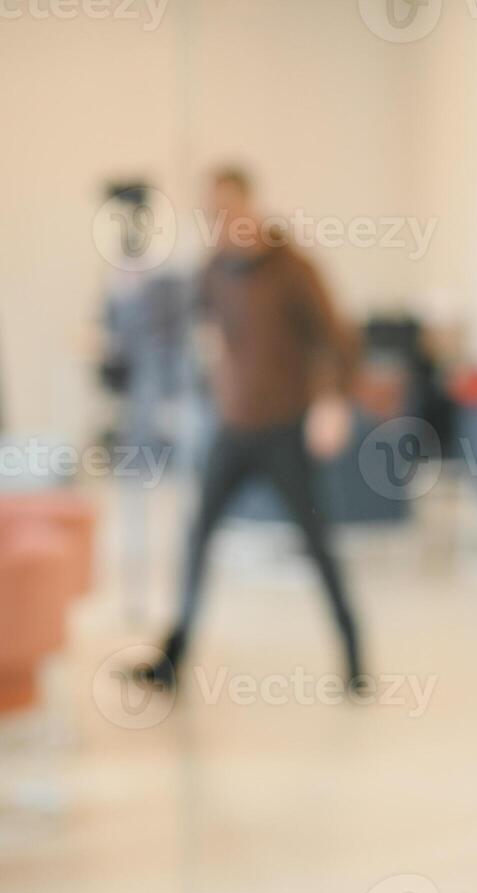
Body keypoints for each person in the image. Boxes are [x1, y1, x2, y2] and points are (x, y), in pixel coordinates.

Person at [137, 167, 364, 693]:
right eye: (210, 213)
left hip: (284, 430)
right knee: (196, 536)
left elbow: (337, 339)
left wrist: (331, 399)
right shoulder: (213, 270)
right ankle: (173, 658)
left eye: (226, 209)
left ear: (249, 205)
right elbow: (182, 325)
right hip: (232, 429)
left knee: (317, 542)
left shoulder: (294, 269)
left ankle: (355, 658)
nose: (219, 221)